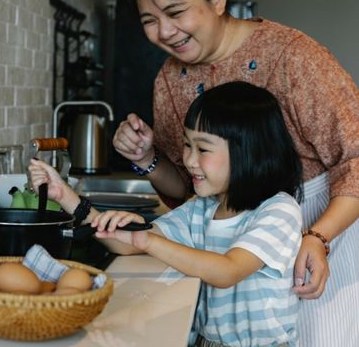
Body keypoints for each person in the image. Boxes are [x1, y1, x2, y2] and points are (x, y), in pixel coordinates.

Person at [111, 0, 359, 346]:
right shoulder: (169, 80)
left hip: (322, 224)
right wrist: (147, 158)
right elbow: (191, 186)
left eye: (176, 13)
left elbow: (356, 157)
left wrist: (318, 237)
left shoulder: (293, 56)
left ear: (218, 0)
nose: (164, 31)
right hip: (232, 257)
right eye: (149, 21)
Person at [30, 81, 304, 346]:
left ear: (250, 152)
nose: (189, 160)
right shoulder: (203, 209)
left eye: (203, 149)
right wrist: (65, 195)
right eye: (187, 145)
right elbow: (123, 243)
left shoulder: (278, 210)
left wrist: (148, 240)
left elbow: (227, 271)